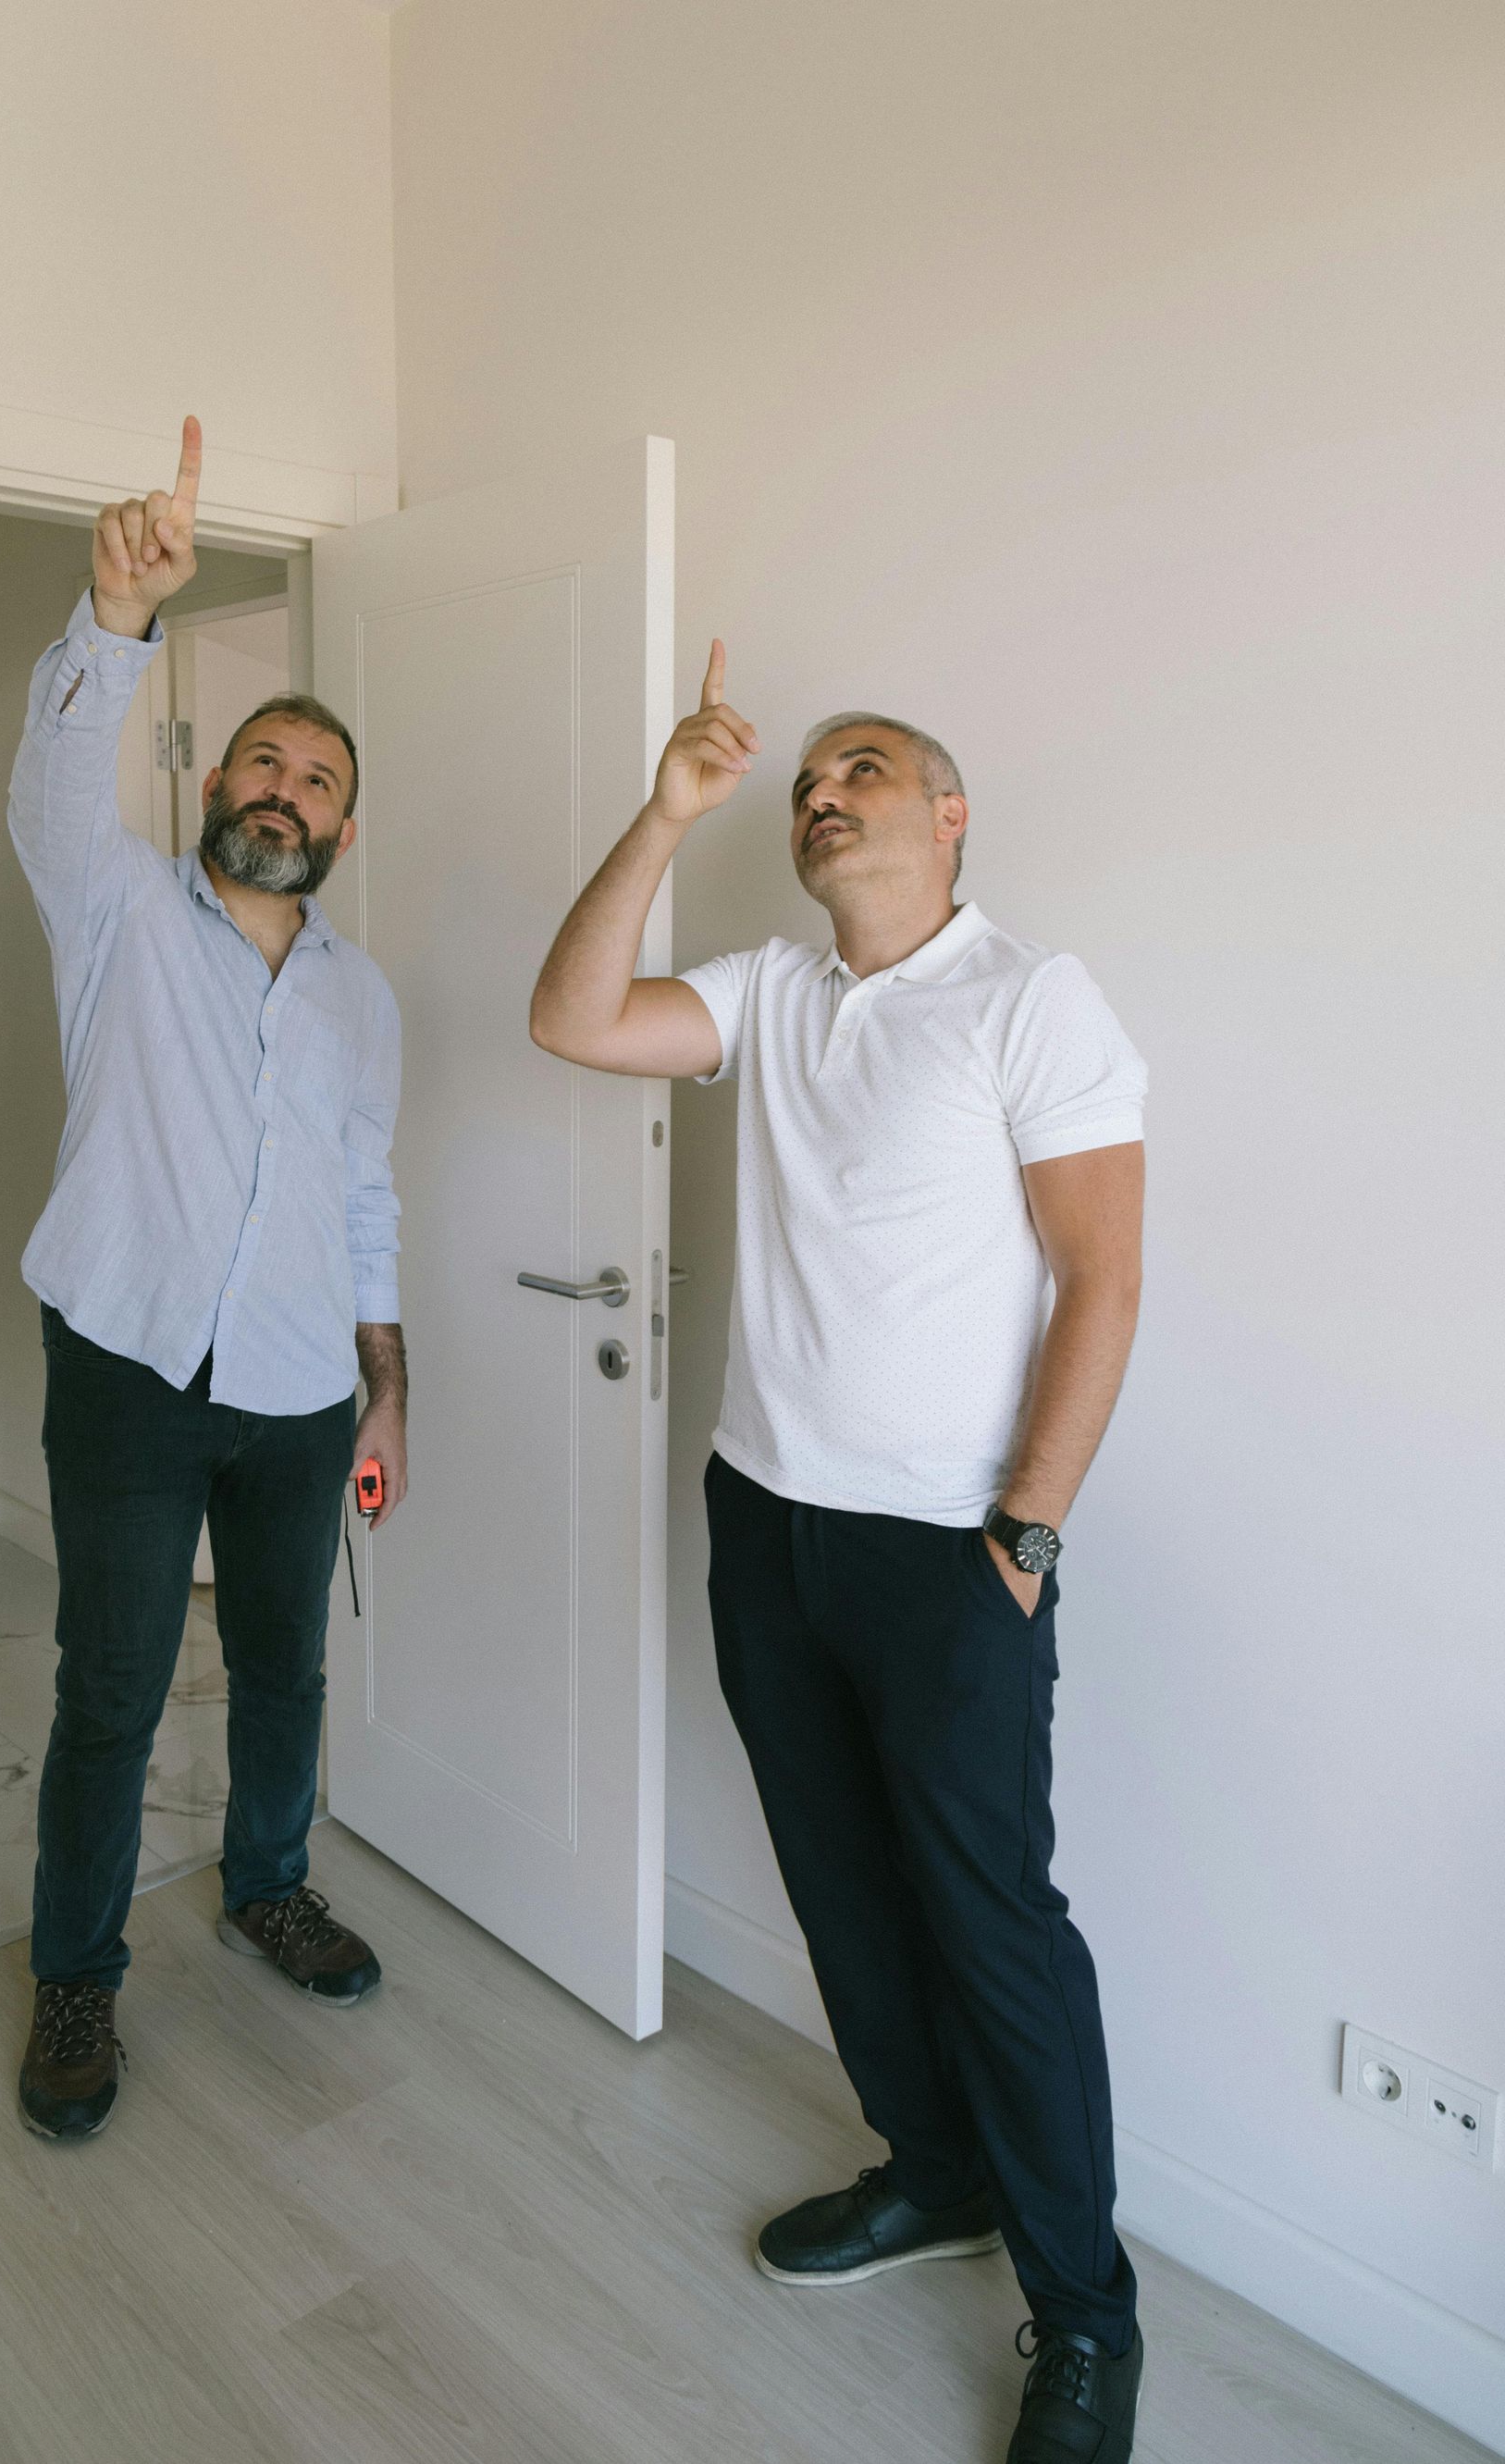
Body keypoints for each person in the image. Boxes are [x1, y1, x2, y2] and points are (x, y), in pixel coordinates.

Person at [529, 645, 1148, 2464]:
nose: (822, 790)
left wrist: (1026, 1530)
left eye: (860, 766)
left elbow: (1104, 1277)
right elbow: (571, 1018)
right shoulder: (772, 991)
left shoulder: (1032, 999)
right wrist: (665, 812)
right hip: (764, 1516)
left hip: (952, 1550)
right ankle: (932, 2171)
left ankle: (1087, 2318)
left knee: (995, 1927)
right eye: (807, 777)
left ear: (948, 816)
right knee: (842, 1883)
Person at [7, 418, 407, 2143]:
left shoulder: (361, 1000)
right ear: (210, 780)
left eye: (318, 781)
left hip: (307, 1385)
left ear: (338, 830)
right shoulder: (109, 910)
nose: (284, 791)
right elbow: (47, 786)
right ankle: (79, 1977)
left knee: (285, 1665)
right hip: (128, 1365)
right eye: (262, 760)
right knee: (109, 1687)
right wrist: (115, 619)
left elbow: (366, 1189)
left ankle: (266, 1888)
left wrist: (389, 1376)